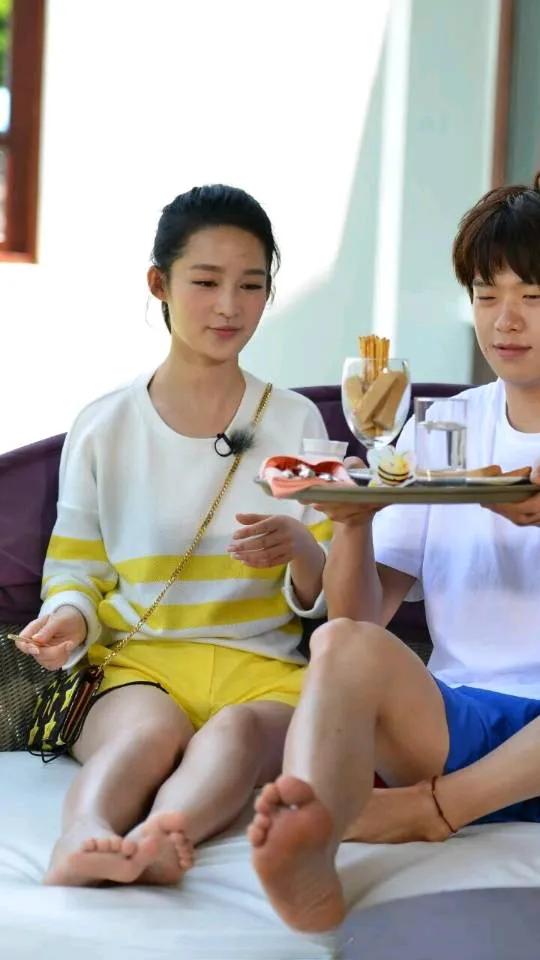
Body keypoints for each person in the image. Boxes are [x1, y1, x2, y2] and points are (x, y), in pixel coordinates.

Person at [247, 173, 540, 934]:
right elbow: (362, 620)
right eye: (486, 295)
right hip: (458, 725)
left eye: (533, 297)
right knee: (340, 645)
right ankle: (311, 849)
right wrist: (353, 520)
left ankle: (430, 813)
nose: (505, 320)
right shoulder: (444, 429)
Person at [15, 184, 331, 887]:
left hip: (266, 668)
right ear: (159, 284)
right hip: (141, 666)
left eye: (251, 285)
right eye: (206, 282)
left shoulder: (297, 423)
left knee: (237, 736)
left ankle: (163, 840)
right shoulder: (105, 425)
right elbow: (76, 572)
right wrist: (68, 619)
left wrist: (303, 551)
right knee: (147, 735)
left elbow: (330, 593)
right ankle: (83, 837)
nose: (230, 307)